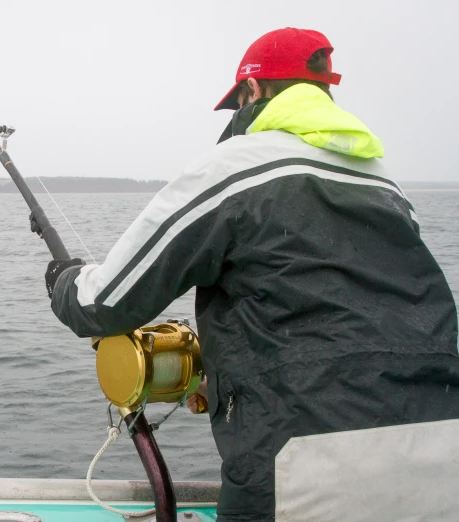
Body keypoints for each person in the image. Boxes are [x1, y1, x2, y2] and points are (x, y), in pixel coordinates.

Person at [44, 28, 459, 521]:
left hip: (300, 475)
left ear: (254, 92)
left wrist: (64, 279)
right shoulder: (385, 185)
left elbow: (106, 302)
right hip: (440, 459)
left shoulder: (237, 167)